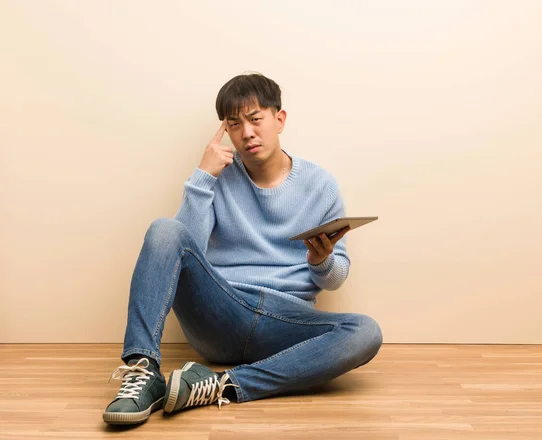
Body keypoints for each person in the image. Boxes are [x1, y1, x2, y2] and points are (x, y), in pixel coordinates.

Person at [103, 73, 383, 425]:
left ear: (279, 120)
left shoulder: (320, 184)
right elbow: (183, 251)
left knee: (366, 332)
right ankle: (142, 372)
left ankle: (220, 385)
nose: (246, 133)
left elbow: (335, 279)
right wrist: (203, 177)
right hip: (222, 311)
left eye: (255, 119)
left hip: (286, 324)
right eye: (234, 125)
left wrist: (321, 260)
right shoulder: (217, 176)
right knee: (164, 229)